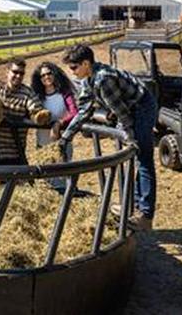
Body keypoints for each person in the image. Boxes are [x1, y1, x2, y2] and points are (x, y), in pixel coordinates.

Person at [58, 45, 157, 231]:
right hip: (130, 107)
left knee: (143, 158)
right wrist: (66, 136)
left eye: (74, 67)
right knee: (134, 158)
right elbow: (84, 111)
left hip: (142, 106)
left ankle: (146, 215)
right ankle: (134, 207)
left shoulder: (103, 79)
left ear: (86, 63)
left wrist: (130, 135)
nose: (72, 72)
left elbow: (123, 113)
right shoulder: (88, 79)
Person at [0, 58, 49, 165]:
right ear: (7, 71)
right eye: (15, 72)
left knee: (13, 180)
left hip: (13, 151)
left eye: (21, 73)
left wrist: (39, 116)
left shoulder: (27, 93)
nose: (18, 76)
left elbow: (35, 109)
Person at [30, 62, 78, 190]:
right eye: (43, 75)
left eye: (49, 73)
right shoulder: (36, 96)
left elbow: (74, 112)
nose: (46, 77)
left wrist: (59, 123)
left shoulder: (64, 93)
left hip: (62, 143)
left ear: (54, 74)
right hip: (43, 143)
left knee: (63, 176)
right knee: (46, 178)